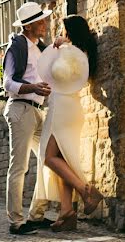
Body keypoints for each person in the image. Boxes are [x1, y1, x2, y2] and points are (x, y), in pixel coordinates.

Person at [35, 14, 104, 232]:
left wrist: (62, 47)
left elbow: (57, 72)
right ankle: (67, 212)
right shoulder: (82, 53)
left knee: (48, 157)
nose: (62, 33)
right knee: (63, 159)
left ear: (72, 32)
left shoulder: (73, 53)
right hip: (70, 107)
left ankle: (86, 191)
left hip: (63, 107)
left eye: (65, 30)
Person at [2, 1, 54, 236]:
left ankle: (36, 215)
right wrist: (33, 87)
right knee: (20, 167)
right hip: (21, 110)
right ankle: (16, 222)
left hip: (37, 111)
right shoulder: (16, 47)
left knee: (50, 160)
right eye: (40, 21)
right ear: (29, 26)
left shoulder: (39, 48)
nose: (44, 24)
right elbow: (8, 83)